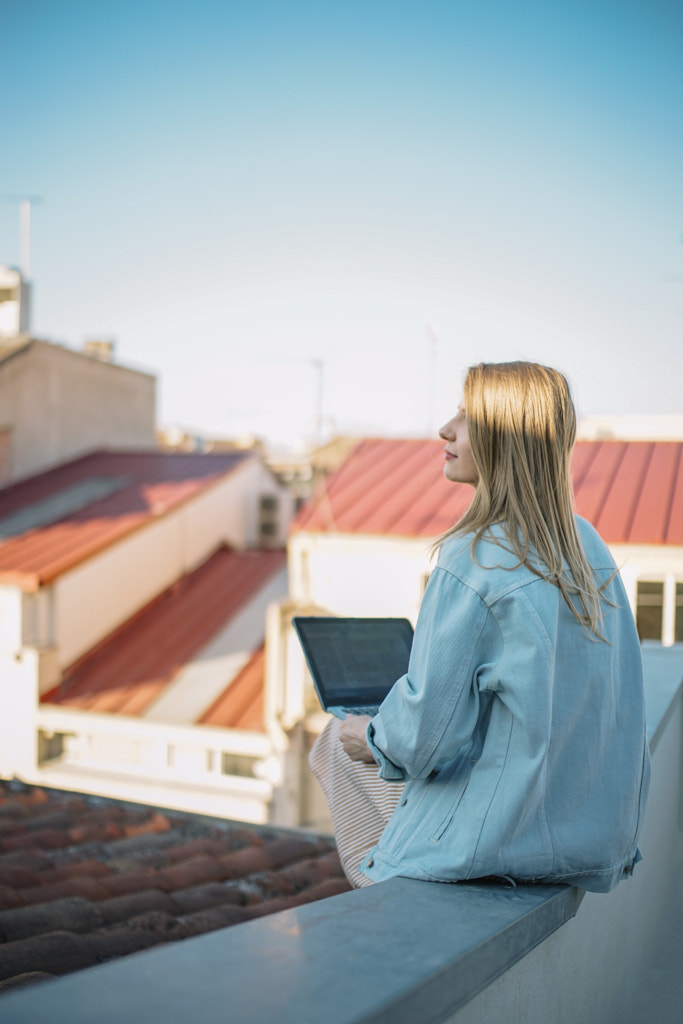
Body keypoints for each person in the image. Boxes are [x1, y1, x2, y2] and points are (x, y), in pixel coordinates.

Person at [309, 360, 650, 892]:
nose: (446, 429)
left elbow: (424, 742)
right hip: (588, 841)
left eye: (466, 417)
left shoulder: (474, 557)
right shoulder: (589, 547)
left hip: (496, 847)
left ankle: (381, 895)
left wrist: (365, 734)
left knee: (333, 740)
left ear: (504, 438)